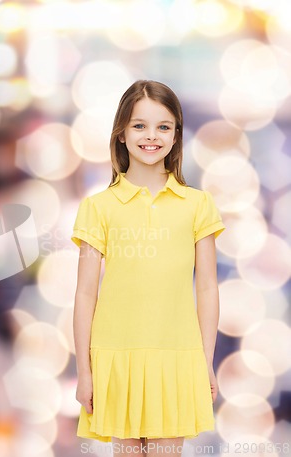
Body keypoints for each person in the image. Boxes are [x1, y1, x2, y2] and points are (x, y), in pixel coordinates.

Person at [71, 80, 225, 457]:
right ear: (121, 133)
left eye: (163, 126)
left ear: (176, 135)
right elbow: (85, 292)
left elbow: (206, 288)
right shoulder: (99, 208)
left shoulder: (197, 205)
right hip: (115, 356)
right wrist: (84, 371)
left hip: (176, 356)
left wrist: (205, 361)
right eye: (139, 125)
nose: (151, 136)